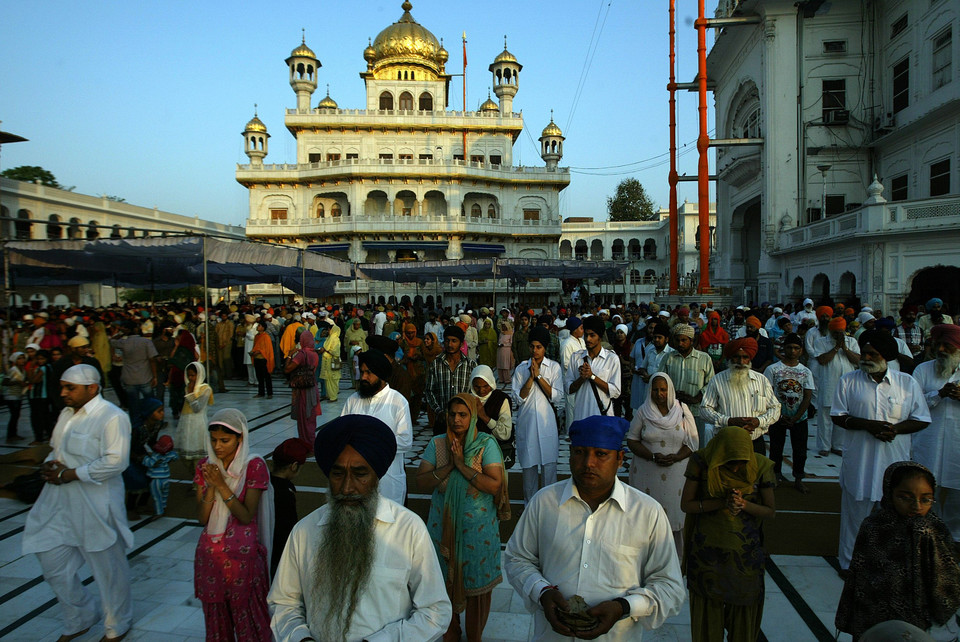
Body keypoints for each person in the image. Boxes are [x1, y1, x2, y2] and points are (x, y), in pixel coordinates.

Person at [269, 414, 451, 641]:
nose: (347, 487)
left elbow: (434, 611)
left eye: (360, 474)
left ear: (377, 475)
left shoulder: (408, 529)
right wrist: (301, 638)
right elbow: (284, 603)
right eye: (337, 474)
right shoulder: (304, 532)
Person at [503, 414, 685, 641]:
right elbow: (517, 558)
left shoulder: (647, 512)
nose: (588, 463)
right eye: (580, 452)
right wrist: (541, 592)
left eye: (601, 454)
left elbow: (669, 586)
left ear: (619, 459)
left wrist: (624, 607)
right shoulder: (544, 502)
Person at [22, 364, 134, 642]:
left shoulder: (112, 417)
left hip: (96, 504)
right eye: (62, 387)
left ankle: (117, 623)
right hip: (58, 502)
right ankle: (80, 617)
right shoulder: (66, 414)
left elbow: (116, 461)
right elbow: (56, 450)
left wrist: (71, 474)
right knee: (51, 561)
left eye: (69, 387)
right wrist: (52, 466)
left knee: (108, 570)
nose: (63, 393)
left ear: (92, 388)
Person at [831, 330, 931, 571]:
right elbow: (838, 416)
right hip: (860, 462)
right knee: (855, 516)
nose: (865, 357)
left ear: (885, 357)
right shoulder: (848, 380)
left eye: (871, 354)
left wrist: (895, 430)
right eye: (864, 353)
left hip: (893, 462)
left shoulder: (907, 383)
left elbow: (922, 418)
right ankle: (849, 565)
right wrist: (868, 425)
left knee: (892, 517)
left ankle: (887, 565)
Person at [836, 461, 960, 640]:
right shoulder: (874, 527)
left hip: (924, 618)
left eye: (926, 499)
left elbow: (947, 575)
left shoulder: (935, 528)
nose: (916, 506)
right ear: (889, 493)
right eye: (905, 497)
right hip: (878, 614)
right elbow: (861, 577)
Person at [417, 394, 506, 642]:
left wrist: (462, 465)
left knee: (477, 589)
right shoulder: (437, 444)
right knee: (442, 586)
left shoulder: (485, 445)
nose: (456, 420)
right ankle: (450, 636)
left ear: (473, 417)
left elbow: (494, 485)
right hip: (442, 529)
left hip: (478, 534)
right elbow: (422, 481)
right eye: (452, 414)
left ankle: (475, 636)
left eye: (463, 415)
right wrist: (449, 466)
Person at [680, 426, 777, 642]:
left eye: (741, 463)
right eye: (729, 462)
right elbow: (687, 505)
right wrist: (721, 503)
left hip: (745, 558)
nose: (735, 469)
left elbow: (770, 511)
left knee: (743, 621)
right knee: (708, 620)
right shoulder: (702, 462)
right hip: (708, 557)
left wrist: (743, 505)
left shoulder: (760, 466)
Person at [194, 408, 274, 641]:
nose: (218, 447)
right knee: (217, 620)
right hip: (211, 555)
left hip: (242, 559)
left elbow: (246, 515)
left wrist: (221, 484)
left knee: (249, 616)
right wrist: (211, 483)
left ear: (241, 437)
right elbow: (202, 518)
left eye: (225, 441)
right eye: (214, 440)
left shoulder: (253, 466)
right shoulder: (205, 466)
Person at [627, 372, 699, 556]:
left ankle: (676, 561)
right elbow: (632, 440)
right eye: (655, 390)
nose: (659, 394)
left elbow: (692, 443)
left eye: (663, 390)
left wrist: (675, 457)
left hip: (676, 475)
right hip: (647, 473)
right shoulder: (643, 411)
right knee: (646, 518)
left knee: (674, 518)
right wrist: (651, 456)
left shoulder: (682, 410)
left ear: (670, 390)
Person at [339, 348, 413, 505]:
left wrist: (369, 445)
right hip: (356, 480)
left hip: (387, 480)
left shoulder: (398, 402)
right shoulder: (353, 400)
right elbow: (341, 433)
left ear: (381, 375)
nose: (363, 377)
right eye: (362, 371)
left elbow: (406, 441)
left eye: (369, 373)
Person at [911, 324, 960, 540]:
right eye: (937, 344)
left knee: (957, 490)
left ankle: (954, 537)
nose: (940, 350)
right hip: (928, 439)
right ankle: (925, 532)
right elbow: (913, 405)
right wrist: (938, 394)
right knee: (926, 486)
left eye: (947, 346)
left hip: (956, 441)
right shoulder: (923, 370)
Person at [700, 337, 781, 453]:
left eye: (745, 357)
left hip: (755, 441)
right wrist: (728, 421)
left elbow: (775, 407)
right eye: (736, 357)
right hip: (726, 441)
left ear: (750, 359)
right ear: (730, 358)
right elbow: (704, 409)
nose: (741, 362)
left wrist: (758, 421)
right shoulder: (717, 380)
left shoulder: (761, 380)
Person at [512, 326, 563, 503]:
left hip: (547, 422)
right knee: (529, 467)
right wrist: (531, 377)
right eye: (532, 346)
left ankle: (549, 505)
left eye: (539, 347)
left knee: (549, 466)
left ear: (545, 348)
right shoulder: (521, 369)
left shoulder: (554, 368)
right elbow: (518, 398)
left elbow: (556, 396)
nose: (535, 351)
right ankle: (530, 506)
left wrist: (539, 377)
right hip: (527, 423)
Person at [763, 333, 815, 491]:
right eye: (789, 347)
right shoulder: (773, 369)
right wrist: (778, 415)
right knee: (776, 449)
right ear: (783, 349)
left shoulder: (805, 372)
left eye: (796, 348)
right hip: (778, 417)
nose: (793, 351)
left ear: (801, 351)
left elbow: (807, 397)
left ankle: (798, 479)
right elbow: (768, 394)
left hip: (799, 419)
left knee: (800, 451)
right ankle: (775, 476)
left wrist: (797, 417)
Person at [812, 316, 861, 456]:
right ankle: (824, 446)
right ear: (831, 331)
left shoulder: (852, 342)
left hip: (847, 386)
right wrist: (836, 347)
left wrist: (845, 348)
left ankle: (838, 446)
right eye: (836, 332)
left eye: (841, 332)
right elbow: (822, 360)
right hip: (828, 383)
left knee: (842, 414)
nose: (839, 335)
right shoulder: (821, 342)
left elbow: (857, 360)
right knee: (825, 417)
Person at [658, 324, 714, 444]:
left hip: (696, 411)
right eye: (677, 340)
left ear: (691, 341)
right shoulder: (668, 358)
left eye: (684, 340)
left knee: (696, 443)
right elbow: (660, 380)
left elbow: (711, 383)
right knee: (673, 443)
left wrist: (695, 398)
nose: (680, 344)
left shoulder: (704, 358)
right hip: (672, 410)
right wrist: (672, 395)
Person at [269, 437, 311, 578]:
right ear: (294, 466)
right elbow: (288, 528)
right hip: (278, 555)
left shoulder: (265, 483)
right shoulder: (285, 493)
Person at [566, 315, 621, 423]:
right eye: (586, 335)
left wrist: (592, 376)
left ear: (600, 337)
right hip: (581, 416)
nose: (588, 339)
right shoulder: (576, 357)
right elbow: (569, 389)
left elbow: (616, 392)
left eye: (592, 335)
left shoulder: (611, 358)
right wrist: (582, 378)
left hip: (603, 417)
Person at [424, 325, 477, 436]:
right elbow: (429, 391)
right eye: (447, 341)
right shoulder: (436, 364)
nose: (450, 344)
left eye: (454, 341)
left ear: (461, 343)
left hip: (465, 422)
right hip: (442, 421)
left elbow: (474, 392)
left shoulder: (471, 365)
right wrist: (439, 411)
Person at [471, 364, 515, 470]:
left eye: (485, 386)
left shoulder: (501, 399)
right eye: (477, 386)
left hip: (495, 454)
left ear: (491, 382)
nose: (481, 391)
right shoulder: (468, 399)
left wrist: (484, 417)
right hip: (472, 454)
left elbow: (505, 433)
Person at [284, 329, 322, 445]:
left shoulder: (301, 354)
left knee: (304, 417)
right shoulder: (314, 353)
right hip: (312, 386)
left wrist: (290, 355)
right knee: (311, 418)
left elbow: (287, 369)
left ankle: (306, 444)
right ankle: (311, 442)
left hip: (303, 389)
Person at [176, 361, 214, 468]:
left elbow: (197, 408)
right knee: (186, 456)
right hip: (186, 422)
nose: (191, 378)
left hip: (198, 424)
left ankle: (199, 481)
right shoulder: (187, 387)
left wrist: (190, 393)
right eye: (189, 375)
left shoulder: (205, 389)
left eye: (193, 375)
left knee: (198, 456)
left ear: (200, 374)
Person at [142, 434, 179, 518]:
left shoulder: (156, 456)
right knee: (164, 495)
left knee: (156, 497)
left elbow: (149, 463)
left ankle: (159, 512)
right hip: (166, 478)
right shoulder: (171, 454)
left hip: (156, 480)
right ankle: (163, 507)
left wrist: (144, 458)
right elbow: (176, 457)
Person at [3, 351, 27, 442]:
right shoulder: (13, 370)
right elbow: (4, 382)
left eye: (23, 358)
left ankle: (14, 434)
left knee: (16, 415)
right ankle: (10, 436)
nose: (22, 360)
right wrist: (17, 382)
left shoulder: (23, 370)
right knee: (14, 415)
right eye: (19, 358)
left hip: (18, 395)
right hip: (11, 396)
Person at [318, 319, 341, 402]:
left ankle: (333, 396)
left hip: (333, 360)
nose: (328, 330)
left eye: (329, 329)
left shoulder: (335, 339)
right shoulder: (329, 338)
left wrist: (326, 350)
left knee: (333, 378)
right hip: (328, 360)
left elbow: (336, 351)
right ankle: (329, 395)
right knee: (328, 378)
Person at [250, 320, 275, 399]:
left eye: (259, 326)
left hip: (263, 359)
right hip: (257, 358)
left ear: (263, 328)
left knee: (267, 376)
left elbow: (267, 349)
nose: (258, 327)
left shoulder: (266, 336)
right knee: (259, 377)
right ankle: (261, 393)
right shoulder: (257, 336)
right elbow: (255, 346)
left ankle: (269, 393)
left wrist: (259, 351)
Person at [496, 319, 515, 385]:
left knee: (505, 365)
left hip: (506, 351)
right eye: (502, 326)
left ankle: (507, 379)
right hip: (500, 351)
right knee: (500, 365)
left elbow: (511, 343)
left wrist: (504, 344)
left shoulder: (510, 333)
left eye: (504, 326)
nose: (503, 327)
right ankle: (501, 379)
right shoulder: (501, 333)